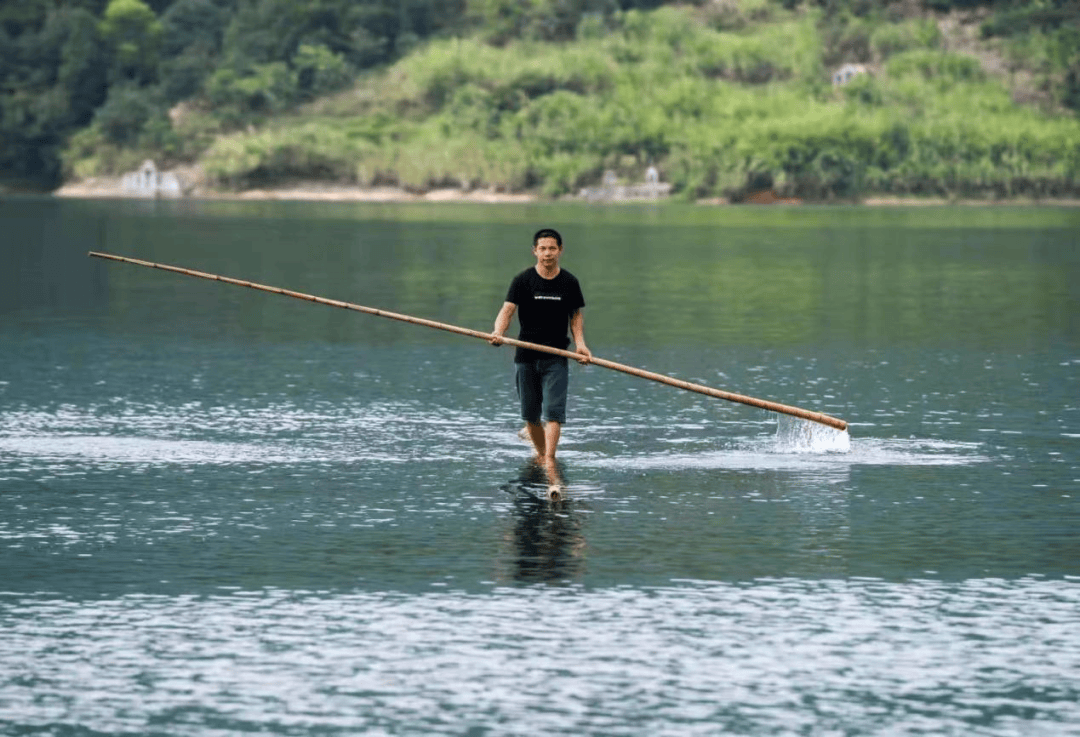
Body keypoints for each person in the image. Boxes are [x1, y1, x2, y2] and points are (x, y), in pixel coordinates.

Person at [490, 228, 591, 469]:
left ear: (560, 250)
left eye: (552, 248)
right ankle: (543, 455)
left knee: (554, 412)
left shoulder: (569, 282)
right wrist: (498, 333)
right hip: (526, 357)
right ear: (535, 251)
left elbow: (575, 315)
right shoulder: (523, 280)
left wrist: (580, 344)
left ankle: (549, 460)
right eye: (543, 248)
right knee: (530, 416)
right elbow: (508, 310)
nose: (547, 253)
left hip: (557, 357)